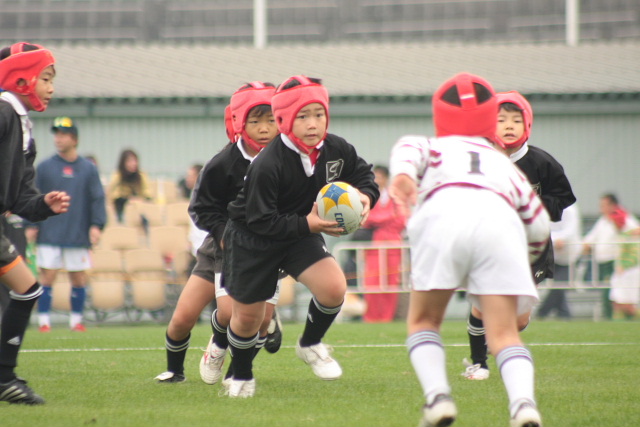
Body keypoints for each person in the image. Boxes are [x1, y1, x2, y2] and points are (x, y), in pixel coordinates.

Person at [390, 72, 549, 427]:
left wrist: (403, 175)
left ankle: (438, 398)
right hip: (499, 225)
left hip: (442, 217)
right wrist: (526, 255)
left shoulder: (433, 147)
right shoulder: (504, 165)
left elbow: (408, 147)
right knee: (504, 333)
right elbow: (538, 225)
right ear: (490, 117)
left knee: (424, 321)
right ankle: (523, 406)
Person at [221, 75, 379, 398]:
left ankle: (310, 344)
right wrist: (308, 225)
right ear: (283, 120)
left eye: (319, 114)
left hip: (300, 234)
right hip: (254, 239)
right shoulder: (268, 164)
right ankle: (240, 373)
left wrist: (365, 196)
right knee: (250, 319)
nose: (313, 123)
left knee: (334, 288)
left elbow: (364, 175)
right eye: (303, 116)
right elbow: (261, 220)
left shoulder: (336, 149)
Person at [155, 83, 283, 385]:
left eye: (271, 120)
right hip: (222, 247)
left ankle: (235, 370)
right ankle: (176, 370)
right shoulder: (222, 164)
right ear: (239, 122)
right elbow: (200, 207)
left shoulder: (287, 161)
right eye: (255, 121)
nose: (264, 128)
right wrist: (223, 233)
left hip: (266, 250)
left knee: (255, 320)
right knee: (184, 318)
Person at [462, 90, 576, 381]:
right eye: (501, 120)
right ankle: (478, 363)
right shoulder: (478, 160)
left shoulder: (542, 162)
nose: (509, 125)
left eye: (516, 120)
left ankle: (497, 339)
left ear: (528, 124)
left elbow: (562, 198)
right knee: (482, 305)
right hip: (489, 245)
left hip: (530, 248)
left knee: (520, 319)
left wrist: (530, 204)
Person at [0, 41, 70, 404]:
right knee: (26, 289)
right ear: (20, 78)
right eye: (45, 78)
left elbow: (20, 198)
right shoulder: (2, 112)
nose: (51, 88)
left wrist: (43, 204)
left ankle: (4, 378)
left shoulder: (22, 124)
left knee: (28, 289)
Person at [25, 117, 106, 332]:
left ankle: (76, 321)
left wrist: (96, 225)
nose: (58, 139)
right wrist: (31, 224)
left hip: (77, 233)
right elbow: (33, 196)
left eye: (63, 135)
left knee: (78, 277)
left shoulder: (88, 169)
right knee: (47, 276)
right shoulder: (45, 167)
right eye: (57, 134)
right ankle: (44, 322)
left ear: (74, 139)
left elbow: (97, 198)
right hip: (50, 232)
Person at [582, 193, 639, 319]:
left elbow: (635, 230)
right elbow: (592, 237)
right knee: (612, 293)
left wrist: (626, 238)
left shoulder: (622, 217)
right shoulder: (603, 220)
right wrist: (586, 245)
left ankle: (611, 317)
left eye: (603, 205)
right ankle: (614, 317)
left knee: (613, 294)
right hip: (603, 262)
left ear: (612, 205)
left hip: (616, 262)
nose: (601, 208)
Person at [361, 165, 406, 323]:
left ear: (386, 179)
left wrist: (379, 219)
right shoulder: (369, 196)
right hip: (374, 243)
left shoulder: (396, 196)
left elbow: (402, 220)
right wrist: (388, 216)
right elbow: (365, 219)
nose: (377, 180)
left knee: (391, 281)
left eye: (379, 177)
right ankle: (371, 317)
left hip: (393, 244)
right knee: (372, 281)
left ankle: (387, 317)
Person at [537, 203, 582, 320]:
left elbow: (570, 229)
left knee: (559, 287)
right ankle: (565, 315)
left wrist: (559, 239)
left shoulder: (569, 210)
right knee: (559, 287)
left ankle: (542, 313)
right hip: (552, 255)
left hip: (569, 256)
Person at [106, 148, 152, 224]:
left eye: (135, 161)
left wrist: (139, 199)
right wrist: (128, 200)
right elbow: (113, 195)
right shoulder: (118, 176)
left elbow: (147, 193)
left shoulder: (141, 176)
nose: (133, 164)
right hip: (122, 205)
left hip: (139, 205)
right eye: (129, 161)